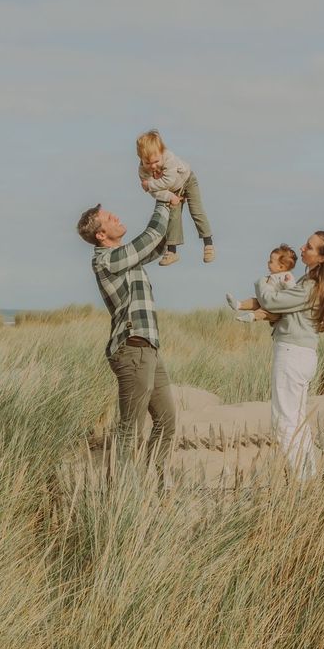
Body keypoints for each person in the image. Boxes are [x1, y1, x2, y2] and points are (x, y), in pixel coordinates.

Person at [77, 194, 182, 481]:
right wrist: (162, 200)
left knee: (166, 422)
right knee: (129, 431)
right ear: (101, 235)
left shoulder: (126, 259)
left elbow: (159, 244)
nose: (116, 217)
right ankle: (124, 493)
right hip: (131, 347)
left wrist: (176, 206)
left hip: (148, 349)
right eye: (109, 218)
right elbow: (150, 237)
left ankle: (158, 485)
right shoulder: (106, 259)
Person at [241, 231, 324, 478]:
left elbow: (271, 301)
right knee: (296, 420)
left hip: (292, 354)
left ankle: (302, 481)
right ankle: (308, 477)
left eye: (309, 247)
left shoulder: (310, 287)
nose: (302, 249)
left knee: (284, 422)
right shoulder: (315, 284)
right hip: (301, 354)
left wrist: (263, 281)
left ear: (322, 258)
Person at [135, 130, 214, 266]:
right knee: (173, 216)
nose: (153, 166)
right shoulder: (142, 171)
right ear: (140, 158)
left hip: (187, 181)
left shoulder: (169, 157)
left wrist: (149, 185)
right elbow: (155, 193)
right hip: (172, 191)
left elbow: (167, 181)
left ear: (162, 152)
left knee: (196, 210)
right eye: (147, 163)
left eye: (156, 161)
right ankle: (172, 251)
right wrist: (170, 196)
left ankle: (208, 243)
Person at [225, 245, 299, 322]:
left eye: (271, 261)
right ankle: (238, 305)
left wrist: (287, 282)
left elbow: (292, 291)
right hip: (268, 300)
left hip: (277, 309)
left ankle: (252, 316)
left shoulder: (287, 276)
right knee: (255, 301)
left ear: (281, 267)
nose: (268, 262)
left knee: (265, 312)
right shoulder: (274, 275)